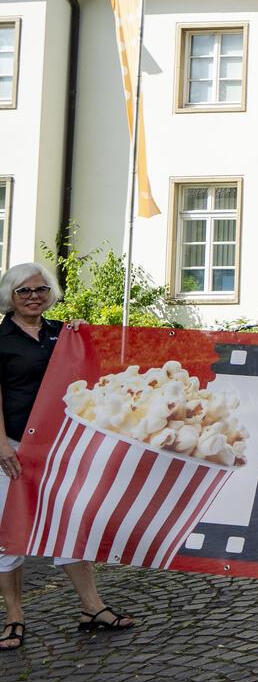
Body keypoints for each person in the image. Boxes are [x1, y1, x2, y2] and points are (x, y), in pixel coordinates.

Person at [0, 262, 134, 651]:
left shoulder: (62, 333)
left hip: (62, 446)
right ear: (10, 295)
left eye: (40, 289)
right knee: (10, 536)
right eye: (24, 291)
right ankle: (14, 617)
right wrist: (2, 445)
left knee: (70, 526)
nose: (33, 297)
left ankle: (92, 608)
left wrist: (83, 336)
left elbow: (90, 374)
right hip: (15, 447)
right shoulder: (1, 338)